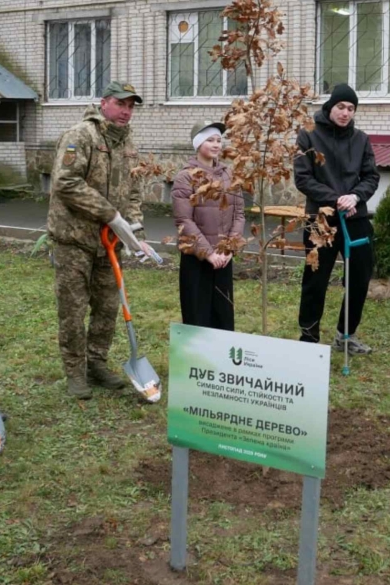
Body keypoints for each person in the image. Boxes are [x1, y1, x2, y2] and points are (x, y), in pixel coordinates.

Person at [48, 81, 154, 400]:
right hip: (75, 240)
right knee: (73, 309)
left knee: (107, 307)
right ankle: (75, 373)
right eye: (121, 104)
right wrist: (110, 214)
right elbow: (65, 183)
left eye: (132, 106)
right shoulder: (81, 135)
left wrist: (135, 230)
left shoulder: (127, 142)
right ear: (104, 103)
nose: (126, 111)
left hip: (110, 243)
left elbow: (133, 190)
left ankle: (96, 363)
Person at [294, 83, 380, 352]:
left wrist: (355, 197)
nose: (346, 113)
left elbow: (371, 176)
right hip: (321, 220)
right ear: (331, 106)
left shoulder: (361, 139)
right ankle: (309, 336)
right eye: (341, 107)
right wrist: (336, 200)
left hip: (355, 218)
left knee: (359, 277)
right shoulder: (308, 135)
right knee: (315, 279)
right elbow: (303, 178)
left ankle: (346, 335)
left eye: (351, 109)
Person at [172, 120, 245, 331]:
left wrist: (229, 248)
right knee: (197, 315)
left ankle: (221, 360)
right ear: (198, 144)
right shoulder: (185, 178)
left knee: (222, 314)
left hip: (224, 258)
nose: (216, 145)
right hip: (198, 259)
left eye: (219, 140)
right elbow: (184, 221)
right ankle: (196, 361)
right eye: (210, 140)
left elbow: (239, 213)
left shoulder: (229, 176)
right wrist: (209, 254)